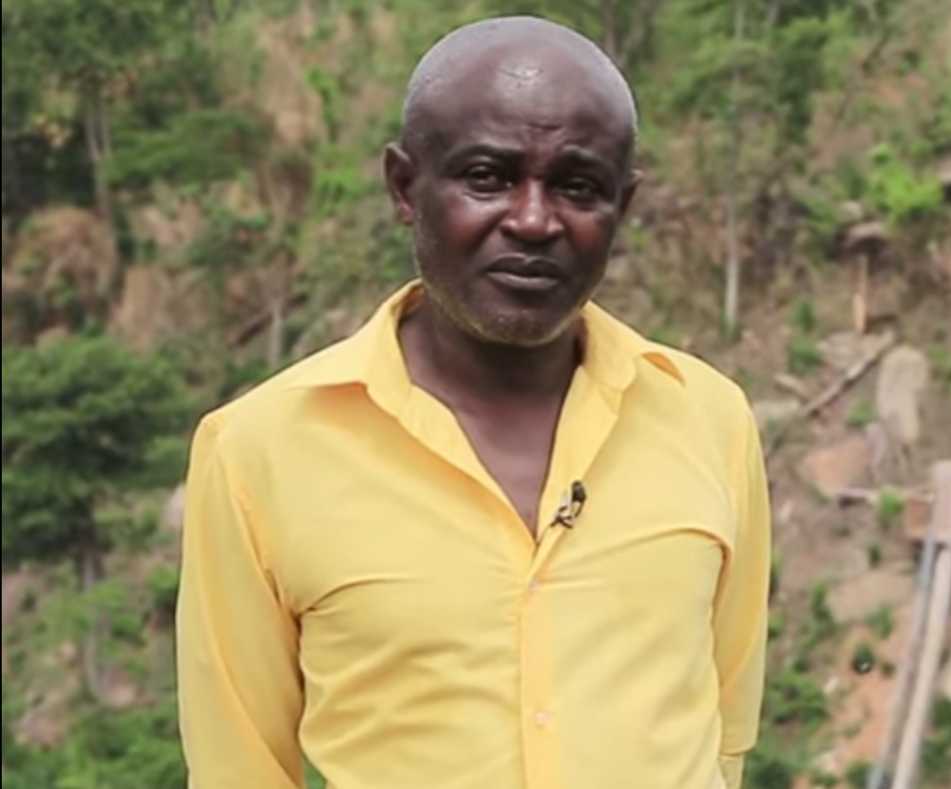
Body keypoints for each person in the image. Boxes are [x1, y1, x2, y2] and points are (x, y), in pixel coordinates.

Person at [176, 15, 770, 789]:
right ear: (404, 187)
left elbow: (725, 731)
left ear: (622, 206)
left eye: (577, 185)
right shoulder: (260, 449)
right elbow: (241, 769)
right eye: (487, 176)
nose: (532, 220)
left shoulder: (708, 420)